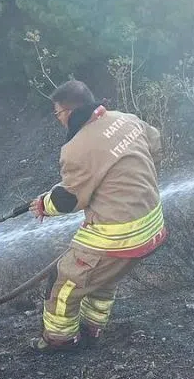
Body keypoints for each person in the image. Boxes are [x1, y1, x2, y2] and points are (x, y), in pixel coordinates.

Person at [28, 80, 167, 350]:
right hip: (153, 224)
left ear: (67, 112)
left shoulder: (76, 149)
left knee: (63, 282)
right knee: (103, 276)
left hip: (119, 235)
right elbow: (155, 145)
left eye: (57, 114)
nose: (58, 119)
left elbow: (70, 199)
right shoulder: (126, 119)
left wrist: (44, 204)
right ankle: (92, 327)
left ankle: (60, 341)